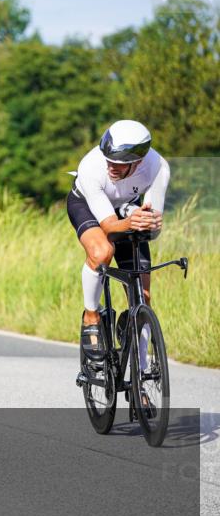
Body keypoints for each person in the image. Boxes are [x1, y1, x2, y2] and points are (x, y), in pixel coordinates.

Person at [67, 119, 169, 366]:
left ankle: (142, 366)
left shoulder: (158, 168)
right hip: (87, 207)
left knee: (143, 296)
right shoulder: (91, 166)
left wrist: (149, 222)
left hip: (125, 209)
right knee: (102, 252)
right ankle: (91, 316)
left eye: (120, 163)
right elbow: (109, 226)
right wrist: (132, 220)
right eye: (109, 160)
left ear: (139, 161)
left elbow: (152, 229)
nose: (111, 167)